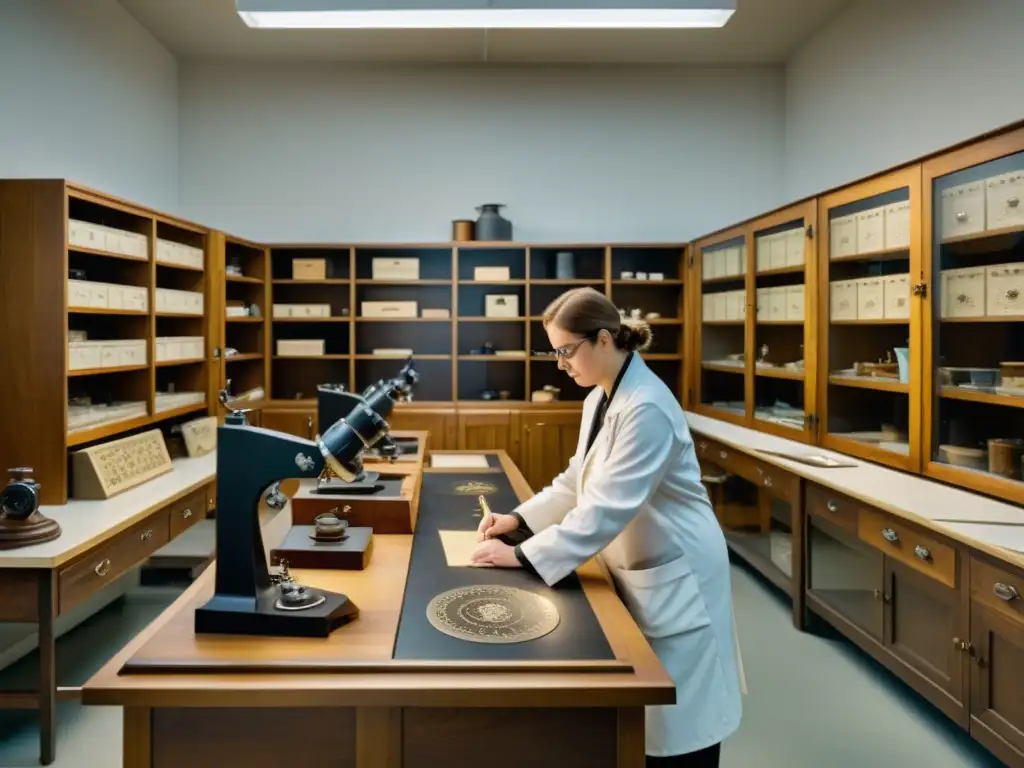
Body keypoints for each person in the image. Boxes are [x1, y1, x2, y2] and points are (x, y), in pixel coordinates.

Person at [471, 286, 742, 768]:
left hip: (677, 567)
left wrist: (521, 554)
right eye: (554, 352)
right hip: (637, 559)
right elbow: (578, 479)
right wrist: (518, 519)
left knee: (682, 726)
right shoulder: (601, 396)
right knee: (644, 722)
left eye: (565, 351)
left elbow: (607, 509)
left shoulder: (646, 407)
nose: (559, 364)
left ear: (601, 340)